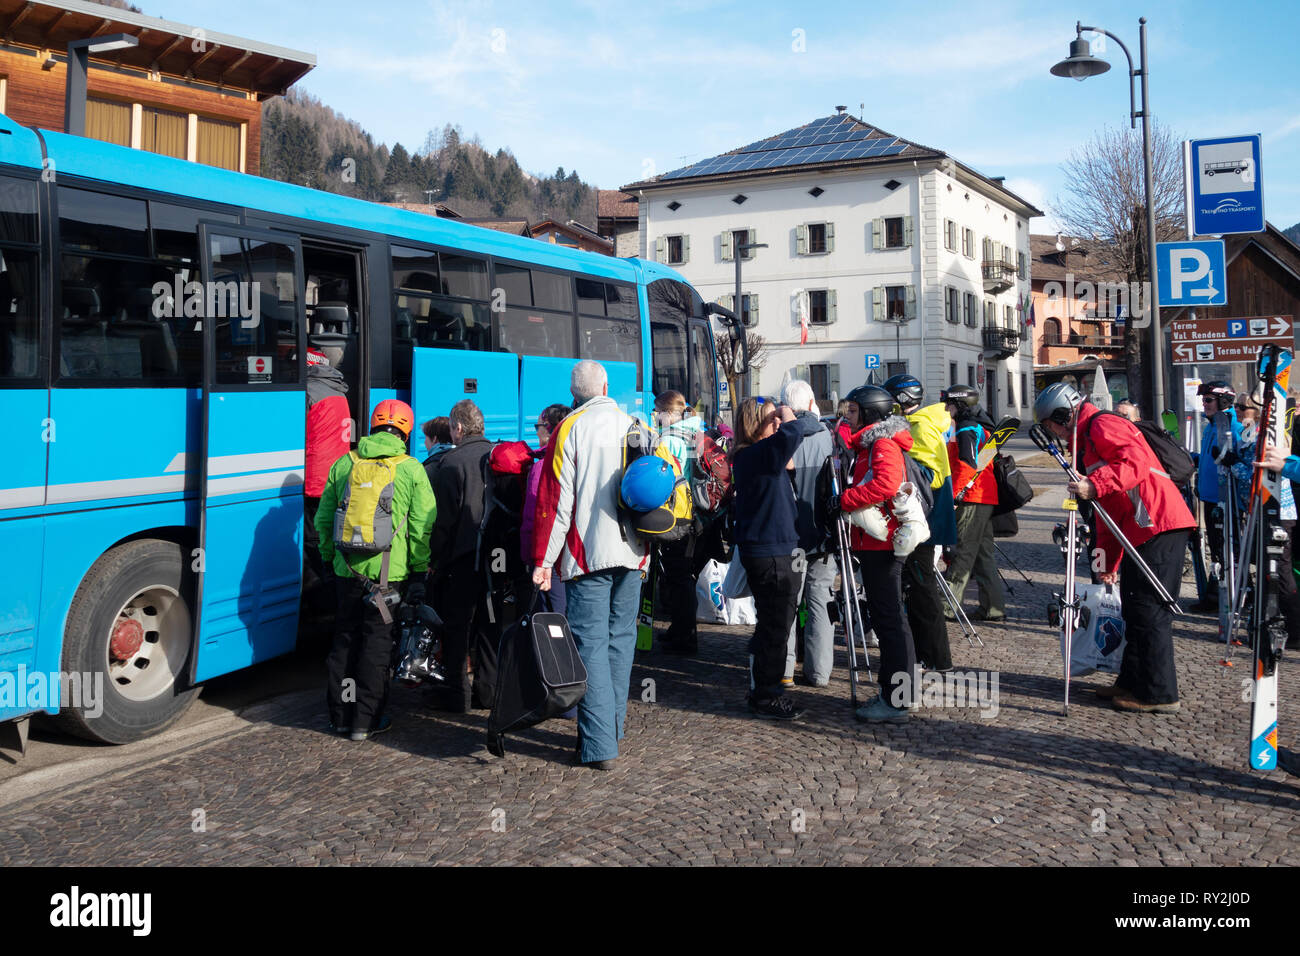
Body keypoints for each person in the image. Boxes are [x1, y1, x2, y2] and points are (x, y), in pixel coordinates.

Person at [1034, 383, 1195, 713]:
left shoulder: (1103, 425)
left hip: (1160, 524)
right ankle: (1132, 681)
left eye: (1051, 426)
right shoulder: (1087, 441)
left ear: (1063, 415)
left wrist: (1094, 483)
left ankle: (1159, 693)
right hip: (1139, 529)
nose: (1054, 435)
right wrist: (1106, 563)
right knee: (1133, 608)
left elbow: (1133, 465)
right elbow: (1105, 513)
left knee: (1150, 610)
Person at [532, 361, 651, 769]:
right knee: (620, 640)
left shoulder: (570, 428)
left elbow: (556, 504)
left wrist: (543, 561)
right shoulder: (636, 423)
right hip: (634, 551)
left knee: (592, 647)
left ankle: (599, 745)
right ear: (605, 386)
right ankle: (611, 729)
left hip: (587, 555)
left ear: (574, 392)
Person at [316, 399, 435, 741]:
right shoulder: (411, 468)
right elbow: (421, 526)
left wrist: (329, 558)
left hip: (346, 571)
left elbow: (324, 519)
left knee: (344, 641)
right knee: (377, 645)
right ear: (406, 431)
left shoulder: (345, 462)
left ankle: (340, 716)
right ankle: (366, 722)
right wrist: (417, 570)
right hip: (388, 576)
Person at [834, 385, 917, 722]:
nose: (848, 417)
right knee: (888, 620)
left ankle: (897, 700)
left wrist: (844, 501)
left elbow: (885, 484)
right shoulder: (871, 443)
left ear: (869, 413)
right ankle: (892, 692)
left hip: (882, 543)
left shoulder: (882, 444)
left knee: (890, 621)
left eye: (853, 412)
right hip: (874, 541)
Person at [730, 395, 805, 719]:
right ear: (754, 424)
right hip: (773, 553)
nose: (777, 422)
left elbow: (804, 430)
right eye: (770, 418)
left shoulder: (755, 455)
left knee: (772, 627)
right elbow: (796, 432)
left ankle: (762, 685)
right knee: (776, 629)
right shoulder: (757, 454)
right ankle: (767, 695)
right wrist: (788, 414)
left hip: (773, 549)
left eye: (778, 418)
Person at [425, 400, 495, 713]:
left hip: (463, 558)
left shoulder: (451, 463)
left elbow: (444, 522)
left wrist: (434, 560)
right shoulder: (498, 455)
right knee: (489, 624)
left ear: (459, 428)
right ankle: (489, 692)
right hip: (497, 557)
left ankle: (455, 694)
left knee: (457, 627)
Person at [884, 374, 955, 673]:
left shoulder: (921, 425)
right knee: (915, 587)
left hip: (925, 519)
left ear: (900, 401)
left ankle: (937, 659)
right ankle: (925, 654)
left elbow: (932, 474)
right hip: (921, 517)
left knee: (923, 588)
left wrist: (902, 473)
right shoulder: (916, 423)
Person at [780, 379, 836, 686]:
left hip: (791, 535)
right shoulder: (829, 436)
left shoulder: (784, 437)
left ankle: (785, 670)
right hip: (824, 534)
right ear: (813, 403)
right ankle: (819, 672)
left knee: (788, 604)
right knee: (820, 602)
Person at [942, 384, 1005, 622]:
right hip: (984, 496)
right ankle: (993, 607)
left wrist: (953, 495)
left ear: (959, 405)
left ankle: (945, 606)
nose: (946, 408)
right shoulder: (982, 425)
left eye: (948, 403)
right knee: (982, 554)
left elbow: (967, 465)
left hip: (971, 497)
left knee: (963, 553)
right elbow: (985, 460)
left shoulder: (967, 427)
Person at [653, 390, 709, 655]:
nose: (655, 416)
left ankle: (685, 636)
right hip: (696, 513)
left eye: (658, 411)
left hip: (677, 514)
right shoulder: (695, 432)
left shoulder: (669, 438)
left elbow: (662, 479)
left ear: (668, 413)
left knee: (678, 577)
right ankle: (682, 630)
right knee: (684, 575)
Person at [1191, 382, 1241, 612]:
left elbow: (1239, 461)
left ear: (1223, 401)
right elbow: (1211, 459)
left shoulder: (1232, 426)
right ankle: (1218, 595)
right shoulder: (1212, 426)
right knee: (1217, 548)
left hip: (1226, 500)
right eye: (1203, 400)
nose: (1204, 404)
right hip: (1210, 497)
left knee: (1226, 549)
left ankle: (1229, 596)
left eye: (1208, 400)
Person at [520, 403, 571, 614]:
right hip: (573, 552)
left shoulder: (543, 464)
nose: (536, 430)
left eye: (537, 426)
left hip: (549, 554)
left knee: (551, 613)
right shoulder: (574, 457)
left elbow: (535, 515)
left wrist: (528, 556)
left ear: (548, 427)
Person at [421, 416, 454, 485]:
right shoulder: (462, 461)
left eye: (426, 438)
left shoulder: (429, 469)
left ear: (434, 439)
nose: (424, 442)